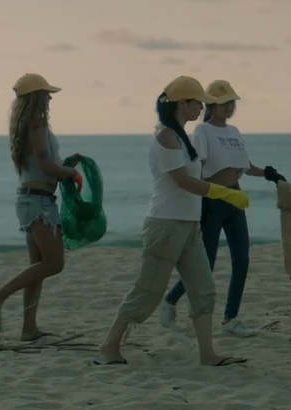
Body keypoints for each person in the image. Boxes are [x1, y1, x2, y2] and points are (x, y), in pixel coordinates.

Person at [95, 76, 249, 366]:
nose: (202, 106)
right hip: (165, 225)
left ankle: (207, 354)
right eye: (198, 102)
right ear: (183, 103)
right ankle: (109, 346)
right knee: (148, 292)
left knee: (203, 289)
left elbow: (195, 175)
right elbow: (182, 182)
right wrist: (225, 194)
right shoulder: (165, 136)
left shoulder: (182, 135)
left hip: (189, 225)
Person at [159, 80, 286, 337]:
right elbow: (197, 168)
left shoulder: (234, 132)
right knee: (206, 264)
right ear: (211, 105)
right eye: (224, 103)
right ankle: (170, 299)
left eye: (232, 103)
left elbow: (244, 166)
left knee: (242, 260)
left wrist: (268, 174)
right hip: (212, 201)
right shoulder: (202, 131)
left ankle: (230, 319)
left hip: (234, 199)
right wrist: (202, 201)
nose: (229, 107)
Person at [0, 73, 81, 339]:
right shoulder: (37, 125)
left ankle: (28, 328)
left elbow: (42, 165)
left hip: (30, 200)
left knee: (37, 266)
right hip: (39, 203)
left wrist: (66, 165)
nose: (50, 98)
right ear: (37, 98)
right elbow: (45, 166)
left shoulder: (24, 126)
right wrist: (71, 173)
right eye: (46, 94)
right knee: (54, 263)